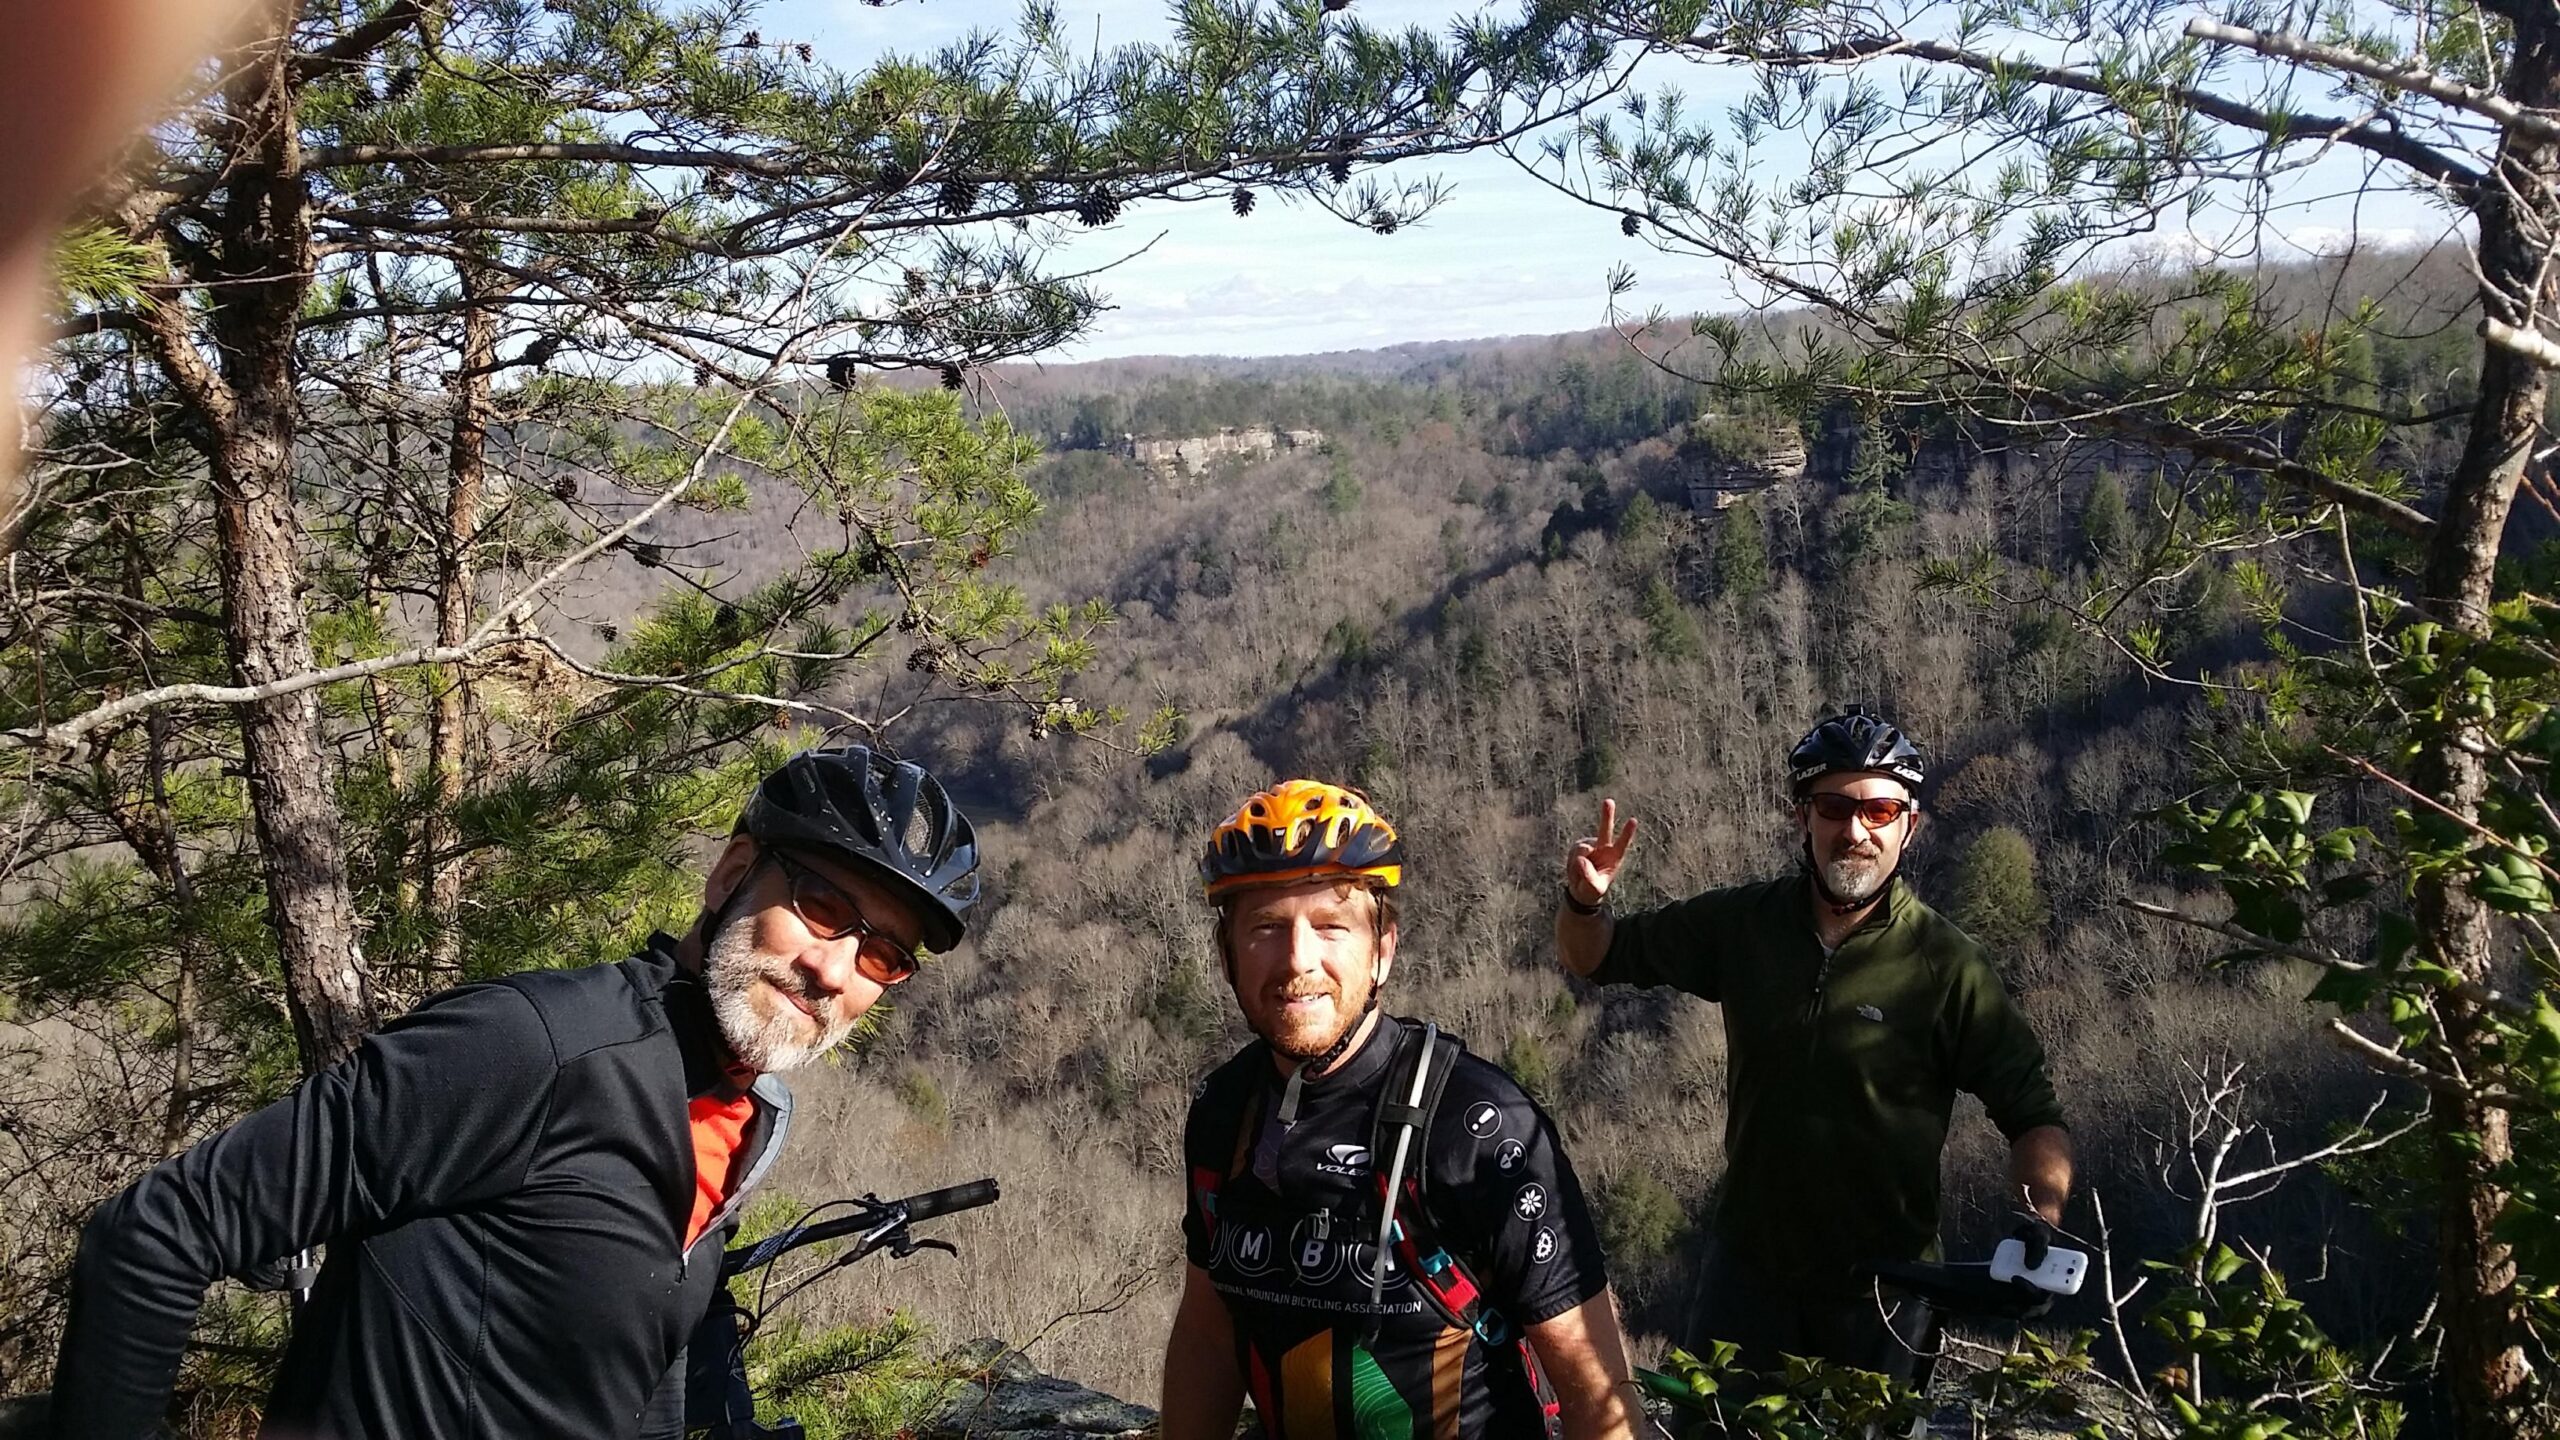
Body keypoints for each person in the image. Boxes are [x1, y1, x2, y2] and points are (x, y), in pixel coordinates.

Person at [47, 745, 980, 1439]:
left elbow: (635, 1362)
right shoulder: (533, 1047)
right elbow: (157, 1233)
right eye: (822, 907)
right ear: (733, 874)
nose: (834, 969)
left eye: (884, 955)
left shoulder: (744, 1111)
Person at [1552, 707, 2071, 1382]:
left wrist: (2039, 1222)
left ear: (1908, 827)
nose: (1855, 830)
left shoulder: (1949, 966)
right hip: (1746, 1280)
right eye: (1833, 806)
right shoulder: (1745, 925)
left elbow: (2033, 1115)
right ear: (1803, 818)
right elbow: (1596, 957)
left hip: (1886, 1297)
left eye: (1880, 810)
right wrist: (1584, 903)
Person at [1162, 780, 1639, 1440]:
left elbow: (1598, 1401)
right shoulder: (1224, 1112)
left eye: (1331, 926)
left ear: (1383, 946)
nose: (1299, 960)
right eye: (1267, 928)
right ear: (1225, 955)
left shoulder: (1479, 1125)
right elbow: (1209, 1333)